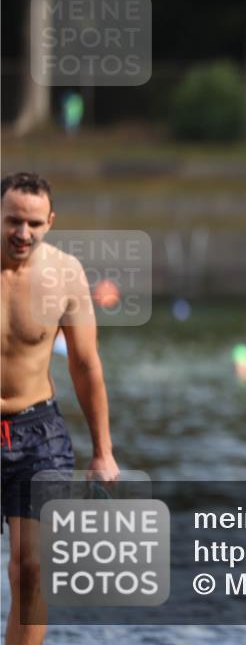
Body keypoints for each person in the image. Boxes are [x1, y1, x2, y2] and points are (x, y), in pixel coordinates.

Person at [1, 172, 120, 645]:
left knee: (30, 570)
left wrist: (103, 451)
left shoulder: (66, 274)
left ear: (50, 222)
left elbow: (86, 366)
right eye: (12, 221)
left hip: (38, 433)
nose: (22, 233)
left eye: (33, 223)